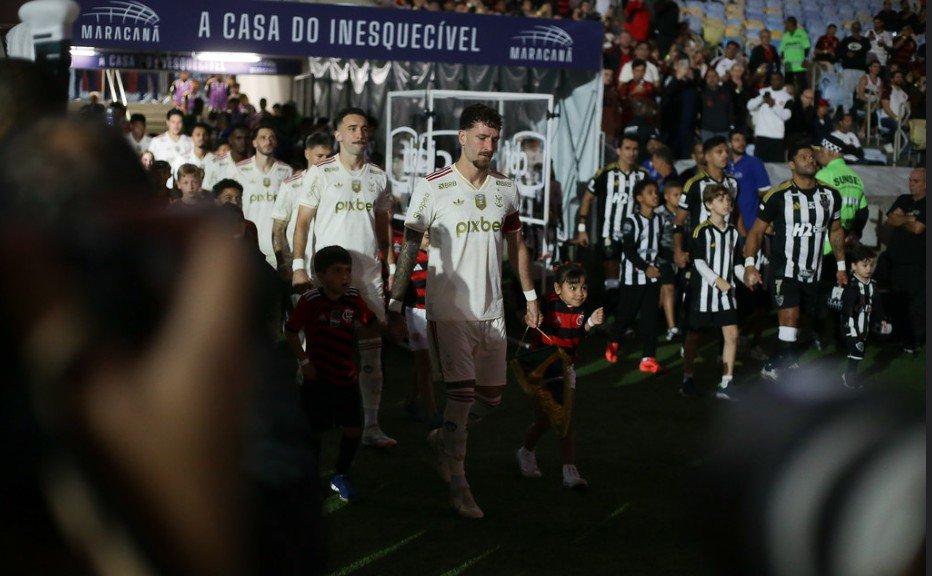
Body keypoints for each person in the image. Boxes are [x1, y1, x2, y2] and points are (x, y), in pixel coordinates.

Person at [388, 103, 540, 519]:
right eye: (481, 137)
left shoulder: (505, 188)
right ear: (461, 137)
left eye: (494, 138)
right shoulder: (432, 186)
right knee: (462, 394)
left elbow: (516, 245)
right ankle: (459, 483)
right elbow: (410, 245)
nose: (488, 145)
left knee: (491, 399)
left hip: (493, 312)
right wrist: (396, 303)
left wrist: (529, 297)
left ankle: (444, 439)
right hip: (449, 309)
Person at [291, 108, 396, 449]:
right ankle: (307, 414)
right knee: (316, 350)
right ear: (337, 134)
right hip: (327, 278)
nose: (359, 133)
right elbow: (303, 223)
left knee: (371, 351)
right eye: (351, 128)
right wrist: (298, 266)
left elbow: (384, 228)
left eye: (364, 128)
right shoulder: (320, 173)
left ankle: (371, 425)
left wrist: (391, 268)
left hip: (366, 277)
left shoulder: (379, 176)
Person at [284, 246, 386, 503]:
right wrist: (305, 361)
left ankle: (341, 475)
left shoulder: (353, 297)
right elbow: (291, 331)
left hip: (345, 377)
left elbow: (369, 323)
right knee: (314, 431)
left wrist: (391, 327)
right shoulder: (310, 301)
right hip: (317, 378)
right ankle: (310, 477)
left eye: (348, 271)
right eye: (337, 271)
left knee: (352, 429)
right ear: (320, 275)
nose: (345, 276)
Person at [743, 142, 847, 381]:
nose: (810, 160)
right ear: (791, 165)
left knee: (799, 321)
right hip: (784, 267)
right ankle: (775, 365)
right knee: (790, 314)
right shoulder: (777, 195)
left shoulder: (830, 195)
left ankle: (785, 359)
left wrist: (841, 267)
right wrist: (750, 264)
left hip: (814, 270)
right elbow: (756, 231)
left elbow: (836, 231)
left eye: (812, 157)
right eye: (803, 157)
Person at [516, 263, 604, 488]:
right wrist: (530, 316)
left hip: (566, 369)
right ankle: (526, 451)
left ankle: (569, 471)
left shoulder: (583, 311)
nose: (579, 293)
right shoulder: (546, 303)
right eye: (573, 288)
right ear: (557, 288)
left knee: (565, 418)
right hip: (542, 369)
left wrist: (590, 323)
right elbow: (528, 315)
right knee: (544, 420)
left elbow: (575, 339)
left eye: (583, 288)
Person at [680, 184, 744, 399]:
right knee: (694, 335)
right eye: (720, 199)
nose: (726, 203)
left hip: (727, 294)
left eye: (728, 199)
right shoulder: (701, 231)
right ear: (708, 204)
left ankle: (726, 383)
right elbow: (698, 263)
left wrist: (746, 276)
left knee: (732, 334)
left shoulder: (734, 232)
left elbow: (736, 263)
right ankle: (687, 377)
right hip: (703, 294)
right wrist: (717, 281)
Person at [574, 134, 648, 312]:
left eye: (635, 149)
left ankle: (623, 313)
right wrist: (582, 229)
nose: (631, 153)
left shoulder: (643, 175)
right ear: (619, 150)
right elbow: (587, 198)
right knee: (611, 274)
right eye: (628, 149)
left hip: (635, 235)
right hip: (609, 234)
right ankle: (610, 313)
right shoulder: (606, 173)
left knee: (630, 276)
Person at [212, 122, 294, 268]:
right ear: (254, 142)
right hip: (248, 247)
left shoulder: (286, 171)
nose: (268, 141)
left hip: (278, 249)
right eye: (263, 137)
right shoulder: (238, 170)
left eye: (271, 138)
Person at [604, 179, 665, 374]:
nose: (655, 195)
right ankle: (614, 341)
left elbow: (660, 248)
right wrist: (645, 267)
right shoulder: (631, 221)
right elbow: (628, 250)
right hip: (633, 277)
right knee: (626, 315)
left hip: (652, 277)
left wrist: (673, 258)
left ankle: (648, 358)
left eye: (656, 191)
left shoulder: (660, 220)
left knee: (650, 319)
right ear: (639, 198)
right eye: (650, 192)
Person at [813, 136, 868, 348]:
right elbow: (863, 211)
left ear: (830, 151)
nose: (818, 153)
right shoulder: (856, 178)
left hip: (823, 246)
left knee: (820, 295)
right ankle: (840, 336)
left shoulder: (824, 175)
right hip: (844, 247)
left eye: (821, 149)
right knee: (840, 294)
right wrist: (854, 233)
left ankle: (818, 335)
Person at [271, 132, 334, 285]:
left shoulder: (336, 186)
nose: (324, 161)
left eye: (328, 157)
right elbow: (278, 229)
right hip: (301, 267)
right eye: (319, 156)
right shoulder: (291, 185)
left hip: (330, 267)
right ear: (307, 154)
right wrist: (285, 264)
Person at [674, 136, 742, 275]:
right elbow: (678, 221)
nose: (725, 155)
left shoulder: (733, 183)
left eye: (726, 151)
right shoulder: (694, 183)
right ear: (707, 157)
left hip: (726, 247)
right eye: (719, 152)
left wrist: (743, 242)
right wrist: (678, 251)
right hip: (700, 249)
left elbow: (735, 215)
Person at [883, 167, 925, 353]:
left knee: (915, 304)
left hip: (916, 263)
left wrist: (903, 218)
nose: (911, 184)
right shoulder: (903, 199)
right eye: (910, 180)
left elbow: (918, 228)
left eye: (915, 181)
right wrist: (909, 219)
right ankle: (897, 336)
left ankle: (915, 340)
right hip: (895, 260)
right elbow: (891, 219)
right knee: (896, 300)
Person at [401, 232, 441, 429]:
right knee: (426, 365)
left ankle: (410, 401)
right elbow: (399, 289)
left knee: (423, 364)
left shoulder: (442, 256)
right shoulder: (410, 257)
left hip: (435, 314)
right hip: (415, 314)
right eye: (426, 236)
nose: (430, 239)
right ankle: (433, 413)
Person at [836, 244, 889, 389]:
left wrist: (883, 318)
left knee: (858, 351)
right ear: (853, 266)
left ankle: (848, 374)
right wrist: (849, 327)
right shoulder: (851, 286)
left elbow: (877, 303)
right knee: (857, 350)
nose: (869, 269)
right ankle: (849, 378)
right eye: (864, 265)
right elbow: (846, 311)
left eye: (871, 265)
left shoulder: (873, 285)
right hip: (850, 325)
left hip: (864, 326)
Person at [656, 177, 683, 341]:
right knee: (668, 288)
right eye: (675, 195)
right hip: (663, 258)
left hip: (681, 258)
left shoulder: (685, 213)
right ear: (666, 196)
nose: (679, 198)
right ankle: (672, 327)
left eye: (681, 194)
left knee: (675, 293)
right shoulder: (659, 213)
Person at [747, 72, 793, 162]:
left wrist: (773, 105)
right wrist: (761, 99)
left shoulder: (787, 97)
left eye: (777, 79)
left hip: (777, 137)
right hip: (761, 135)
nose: (775, 82)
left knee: (776, 167)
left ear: (782, 80)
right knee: (759, 164)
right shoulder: (762, 91)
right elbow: (749, 106)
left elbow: (786, 116)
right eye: (772, 79)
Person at [837, 22, 870, 108]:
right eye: (854, 27)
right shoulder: (846, 40)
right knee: (847, 92)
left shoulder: (865, 40)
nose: (856, 29)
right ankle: (846, 112)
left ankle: (858, 112)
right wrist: (846, 53)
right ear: (851, 29)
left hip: (861, 69)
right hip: (848, 69)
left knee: (861, 93)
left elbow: (869, 51)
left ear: (860, 29)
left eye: (857, 27)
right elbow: (838, 53)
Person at [699, 69, 735, 143]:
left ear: (718, 78)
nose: (712, 79)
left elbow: (730, 111)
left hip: (724, 130)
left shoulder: (726, 92)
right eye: (709, 76)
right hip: (706, 130)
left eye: (714, 76)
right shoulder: (701, 94)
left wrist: (731, 126)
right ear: (705, 79)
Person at [780, 17, 811, 90]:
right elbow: (782, 49)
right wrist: (782, 59)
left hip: (799, 64)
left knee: (802, 85)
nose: (785, 26)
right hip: (788, 64)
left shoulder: (802, 33)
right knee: (788, 85)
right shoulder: (785, 35)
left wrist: (805, 59)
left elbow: (807, 47)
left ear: (792, 24)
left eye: (787, 24)